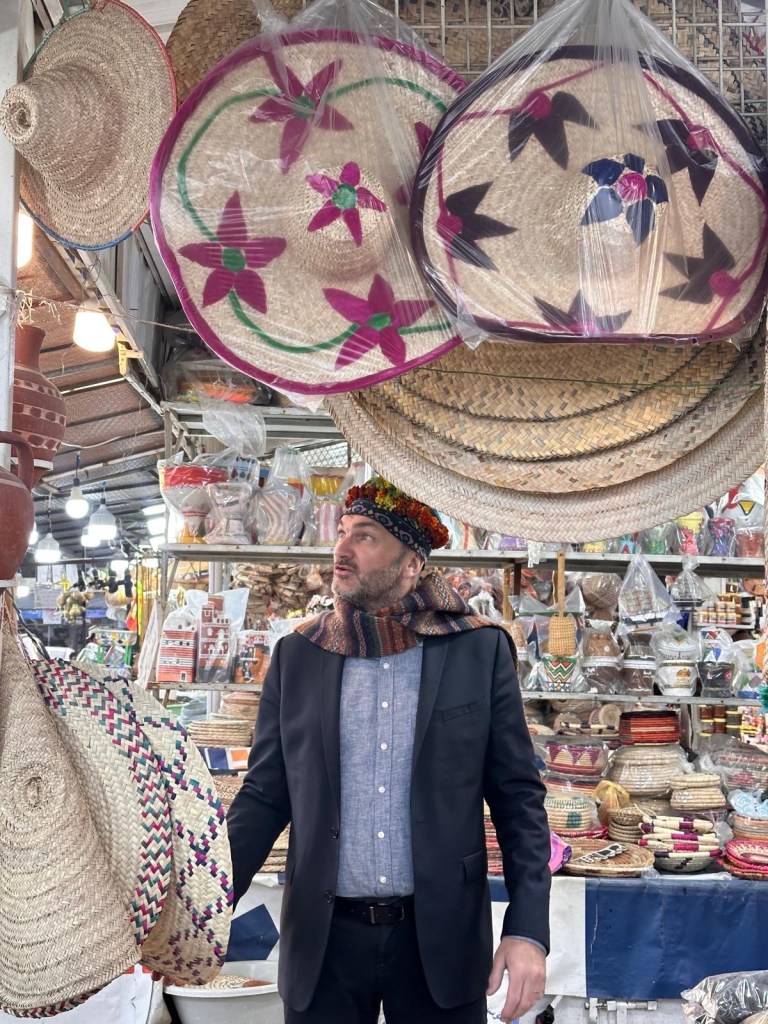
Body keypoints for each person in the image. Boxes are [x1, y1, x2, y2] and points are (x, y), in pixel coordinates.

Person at [227, 477, 551, 1024]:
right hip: (324, 943)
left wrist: (527, 930)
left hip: (439, 940)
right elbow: (263, 796)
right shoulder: (298, 656)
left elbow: (518, 799)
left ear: (411, 564)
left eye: (366, 537)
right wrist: (200, 911)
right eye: (344, 532)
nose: (342, 549)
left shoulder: (476, 649)